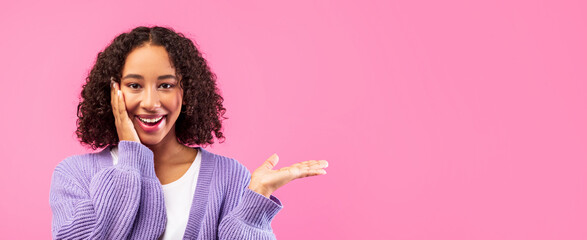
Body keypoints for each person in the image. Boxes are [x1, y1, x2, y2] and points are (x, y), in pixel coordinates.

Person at [49, 26, 329, 240]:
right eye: (135, 85)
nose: (150, 102)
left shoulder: (228, 177)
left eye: (166, 85)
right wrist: (132, 156)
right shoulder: (74, 176)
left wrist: (255, 201)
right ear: (112, 91)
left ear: (187, 92)